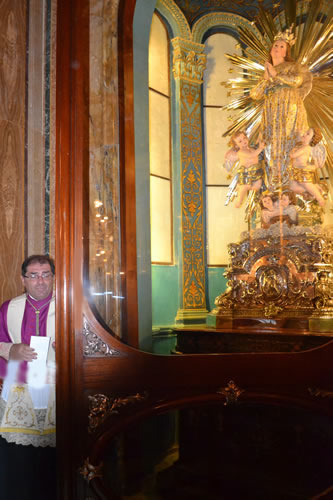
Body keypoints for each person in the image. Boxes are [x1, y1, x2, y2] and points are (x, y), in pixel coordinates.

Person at [0, 254, 56, 500]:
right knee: (19, 457)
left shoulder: (70, 307)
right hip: (18, 392)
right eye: (33, 275)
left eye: (46, 274)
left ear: (54, 278)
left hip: (56, 390)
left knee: (54, 456)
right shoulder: (9, 308)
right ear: (23, 279)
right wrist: (11, 350)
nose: (40, 281)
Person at [250, 26, 313, 191]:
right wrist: (266, 78)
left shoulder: (292, 66)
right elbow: (255, 94)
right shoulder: (267, 72)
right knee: (273, 145)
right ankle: (275, 187)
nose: (277, 48)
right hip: (271, 112)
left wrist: (275, 75)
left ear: (286, 52)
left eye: (281, 46)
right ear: (271, 49)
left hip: (290, 108)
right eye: (275, 46)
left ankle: (293, 185)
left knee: (289, 142)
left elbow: (297, 80)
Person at [224, 130, 265, 208]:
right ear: (236, 146)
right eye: (240, 141)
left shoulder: (252, 149)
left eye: (244, 138)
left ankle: (241, 186)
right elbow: (252, 155)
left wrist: (260, 136)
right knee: (245, 186)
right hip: (246, 173)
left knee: (258, 185)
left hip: (255, 171)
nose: (244, 141)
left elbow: (256, 148)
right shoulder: (241, 152)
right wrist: (260, 148)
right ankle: (239, 200)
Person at [289, 128, 326, 207]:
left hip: (303, 171)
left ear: (312, 139)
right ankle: (313, 188)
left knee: (305, 184)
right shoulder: (301, 145)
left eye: (308, 134)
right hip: (296, 171)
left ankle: (319, 197)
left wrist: (291, 150)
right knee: (292, 187)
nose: (304, 134)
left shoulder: (305, 148)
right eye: (306, 132)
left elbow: (292, 155)